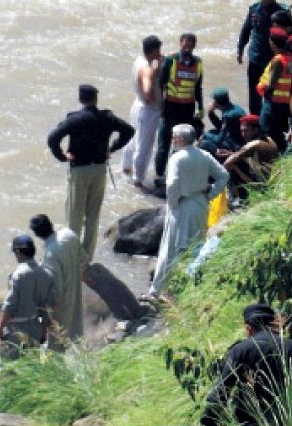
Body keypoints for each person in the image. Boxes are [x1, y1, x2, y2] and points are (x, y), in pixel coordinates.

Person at [47, 84, 135, 262]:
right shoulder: (107, 117)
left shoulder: (74, 119)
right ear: (96, 99)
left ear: (81, 99)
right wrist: (113, 148)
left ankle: (72, 258)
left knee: (74, 216)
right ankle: (86, 259)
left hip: (79, 170)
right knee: (93, 216)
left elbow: (53, 138)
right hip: (99, 170)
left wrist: (62, 156)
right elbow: (129, 131)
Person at [201, 303, 292, 426]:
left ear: (248, 328)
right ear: (274, 325)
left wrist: (209, 424)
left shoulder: (240, 351)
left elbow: (221, 393)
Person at [147, 124, 228, 300]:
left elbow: (172, 184)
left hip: (182, 206)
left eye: (174, 137)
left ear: (182, 139)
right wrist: (211, 194)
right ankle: (187, 288)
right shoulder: (204, 155)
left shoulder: (177, 158)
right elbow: (223, 176)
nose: (172, 140)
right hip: (200, 204)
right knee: (196, 247)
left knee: (170, 248)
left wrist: (173, 202)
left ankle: (156, 290)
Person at [29, 214, 87, 351]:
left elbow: (54, 289)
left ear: (37, 234)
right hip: (75, 289)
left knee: (56, 344)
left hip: (62, 303)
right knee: (75, 333)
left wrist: (48, 317)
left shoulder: (50, 254)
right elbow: (84, 258)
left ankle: (57, 370)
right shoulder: (69, 234)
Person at [0, 235, 57, 360]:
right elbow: (49, 307)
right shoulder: (47, 274)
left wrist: (0, 329)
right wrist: (44, 330)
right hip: (35, 329)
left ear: (18, 252)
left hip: (16, 331)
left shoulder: (18, 275)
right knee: (31, 366)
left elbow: (10, 306)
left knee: (9, 369)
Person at [156, 33, 204, 179]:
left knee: (183, 143)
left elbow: (198, 87)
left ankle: (175, 173)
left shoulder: (199, 63)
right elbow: (160, 84)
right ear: (180, 44)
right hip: (170, 107)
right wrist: (160, 105)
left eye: (190, 46)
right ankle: (159, 174)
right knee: (164, 142)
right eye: (185, 45)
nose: (187, 49)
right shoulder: (171, 61)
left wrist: (200, 107)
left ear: (194, 46)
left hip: (187, 109)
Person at [122, 35, 164, 188]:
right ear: (153, 51)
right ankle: (138, 180)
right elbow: (147, 91)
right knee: (144, 146)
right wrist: (155, 72)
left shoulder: (139, 60)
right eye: (158, 51)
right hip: (148, 110)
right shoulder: (147, 68)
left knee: (133, 140)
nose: (160, 54)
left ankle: (126, 168)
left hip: (137, 105)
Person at [238, 0, 291, 115]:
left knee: (273, 91)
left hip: (275, 60)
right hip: (255, 57)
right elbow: (246, 30)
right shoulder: (254, 9)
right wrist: (240, 49)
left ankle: (270, 117)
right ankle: (255, 120)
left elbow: (291, 34)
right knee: (254, 93)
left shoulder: (283, 12)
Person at [222, 114, 279, 201]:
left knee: (231, 166)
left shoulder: (253, 144)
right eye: (242, 131)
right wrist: (231, 153)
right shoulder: (268, 138)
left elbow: (227, 164)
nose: (243, 134)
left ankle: (236, 200)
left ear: (255, 130)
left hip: (264, 184)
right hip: (272, 179)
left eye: (246, 131)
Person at [257, 27, 292, 153]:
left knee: (266, 133)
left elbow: (270, 84)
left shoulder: (278, 60)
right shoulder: (289, 57)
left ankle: (269, 161)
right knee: (280, 134)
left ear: (272, 42)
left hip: (272, 104)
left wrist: (261, 88)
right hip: (284, 103)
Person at [199, 87, 247, 161]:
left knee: (204, 143)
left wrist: (204, 134)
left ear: (217, 103)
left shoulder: (228, 115)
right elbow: (221, 127)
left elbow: (219, 139)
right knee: (211, 132)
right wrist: (210, 113)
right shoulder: (235, 108)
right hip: (237, 138)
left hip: (237, 145)